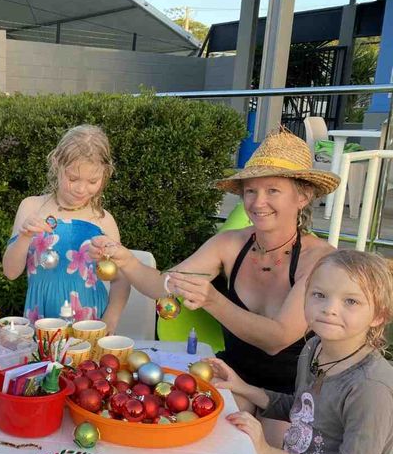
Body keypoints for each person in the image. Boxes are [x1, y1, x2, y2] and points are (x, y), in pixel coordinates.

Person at [161, 249, 393, 454]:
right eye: (319, 295)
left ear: (378, 316)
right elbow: (302, 407)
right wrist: (245, 388)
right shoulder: (313, 350)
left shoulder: (370, 386)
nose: (329, 308)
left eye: (351, 302)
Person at [90, 128, 339, 399]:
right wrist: (123, 257)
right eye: (251, 191)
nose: (258, 202)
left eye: (273, 190)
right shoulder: (229, 244)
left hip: (291, 396)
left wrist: (212, 301)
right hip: (229, 378)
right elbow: (162, 285)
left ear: (302, 197)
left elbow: (276, 339)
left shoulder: (320, 260)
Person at [2, 124, 130, 454]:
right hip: (42, 322)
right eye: (73, 178)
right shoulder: (32, 208)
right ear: (56, 166)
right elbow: (10, 270)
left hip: (87, 325)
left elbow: (122, 275)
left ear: (104, 177)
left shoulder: (103, 218)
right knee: (43, 399)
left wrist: (112, 316)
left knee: (92, 405)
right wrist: (24, 236)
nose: (81, 188)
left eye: (92, 181)